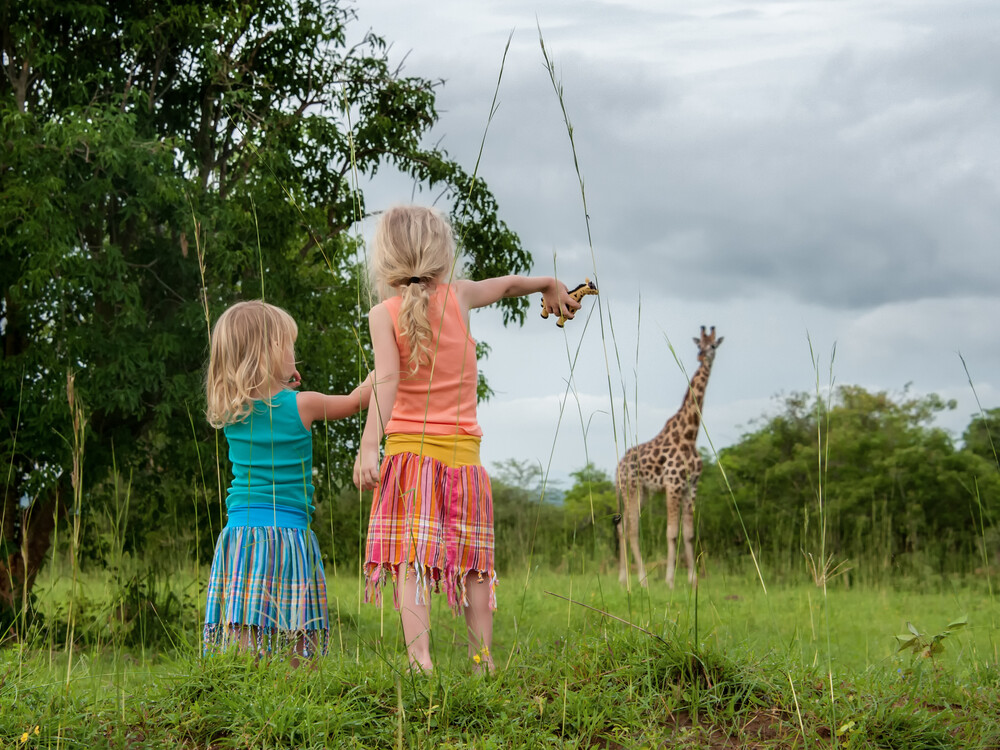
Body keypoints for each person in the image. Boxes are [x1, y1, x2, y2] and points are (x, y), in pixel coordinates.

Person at [354, 205, 581, 673]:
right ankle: (483, 659)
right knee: (476, 566)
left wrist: (368, 444)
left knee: (411, 563)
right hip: (465, 464)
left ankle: (421, 660)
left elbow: (386, 381)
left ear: (386, 258)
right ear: (442, 253)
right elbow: (511, 284)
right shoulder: (460, 296)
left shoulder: (383, 313)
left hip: (409, 461)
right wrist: (549, 284)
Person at [203, 300, 371, 665]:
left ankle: (244, 685)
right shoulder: (303, 404)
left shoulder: (232, 409)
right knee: (297, 627)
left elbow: (263, 400)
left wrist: (275, 382)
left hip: (242, 533)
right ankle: (296, 690)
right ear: (270, 354)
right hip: (289, 532)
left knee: (245, 621)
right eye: (289, 347)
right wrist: (382, 374)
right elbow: (358, 401)